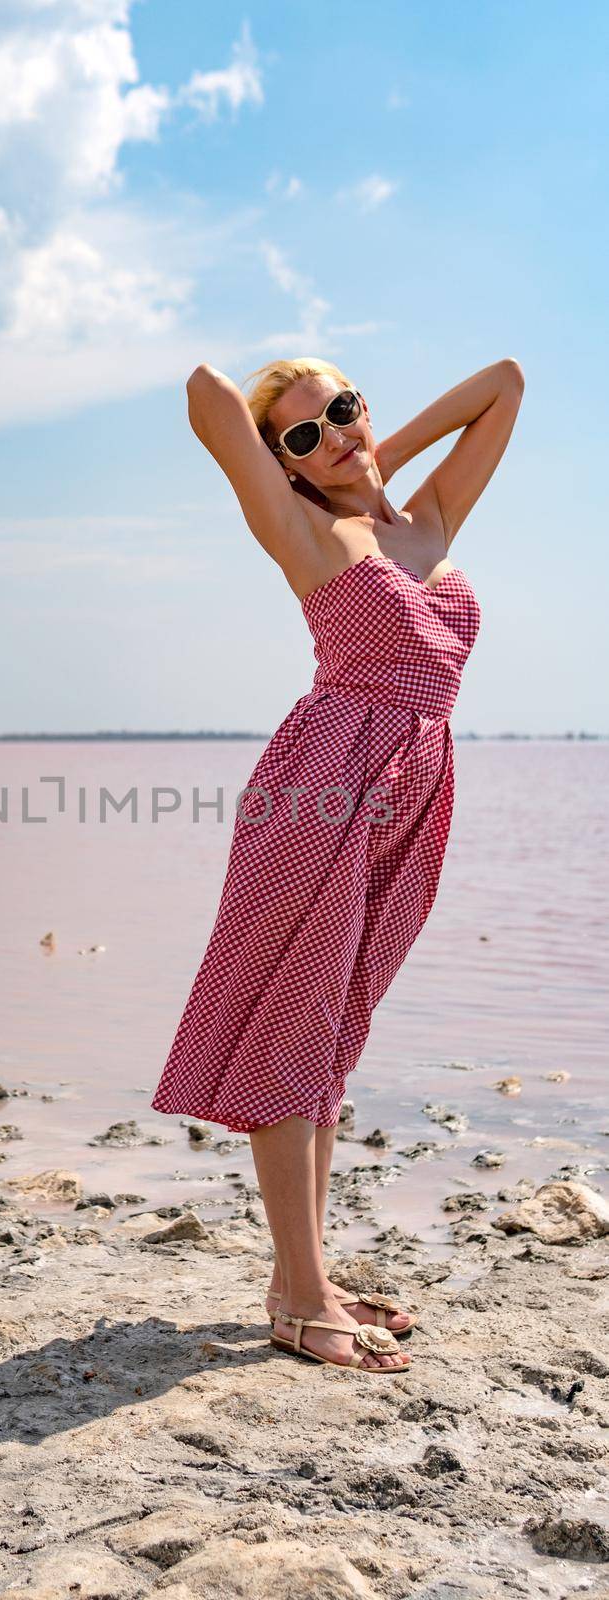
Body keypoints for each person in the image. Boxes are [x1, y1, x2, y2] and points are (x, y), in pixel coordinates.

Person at [150, 355, 525, 1372]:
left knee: (336, 1033)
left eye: (343, 411)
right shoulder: (305, 531)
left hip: (416, 791)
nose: (335, 434)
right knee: (293, 1022)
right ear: (284, 465)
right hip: (324, 786)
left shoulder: (429, 521)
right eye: (303, 435)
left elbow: (507, 382)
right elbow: (203, 391)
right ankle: (304, 1299)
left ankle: (296, 1275)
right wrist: (312, 471)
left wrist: (372, 451)